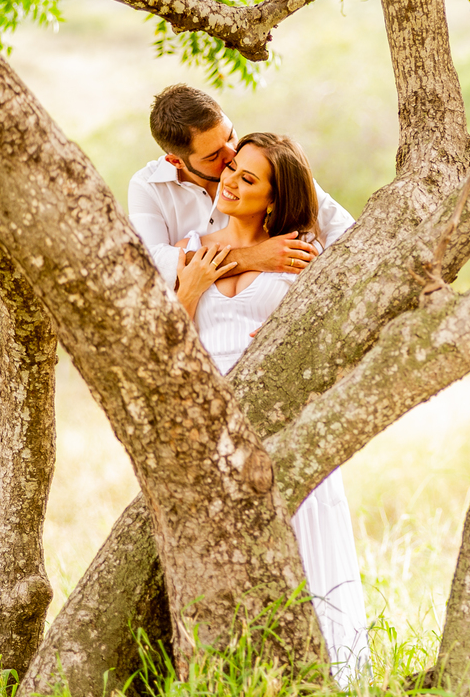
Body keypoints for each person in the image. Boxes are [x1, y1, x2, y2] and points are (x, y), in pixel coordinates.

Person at [173, 132, 370, 685]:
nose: (231, 182)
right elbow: (164, 342)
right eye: (233, 168)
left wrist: (289, 343)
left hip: (283, 415)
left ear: (275, 199)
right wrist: (191, 287)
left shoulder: (301, 253)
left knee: (305, 541)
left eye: (249, 179)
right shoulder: (194, 245)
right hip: (211, 423)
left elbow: (337, 332)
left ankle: (331, 675)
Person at [128, 84, 354, 288]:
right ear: (176, 161)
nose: (232, 153)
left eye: (230, 136)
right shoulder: (147, 187)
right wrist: (253, 257)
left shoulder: (260, 160)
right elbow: (152, 268)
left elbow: (342, 230)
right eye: (214, 155)